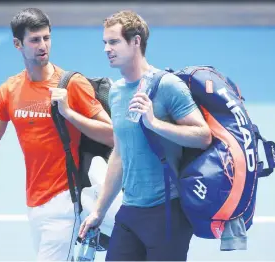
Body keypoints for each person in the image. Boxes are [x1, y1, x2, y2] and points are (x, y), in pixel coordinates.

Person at [0, 8, 115, 261]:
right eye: (35, 39)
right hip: (35, 202)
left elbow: (112, 136)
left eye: (47, 38)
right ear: (18, 44)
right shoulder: (8, 91)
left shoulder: (72, 84)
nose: (43, 45)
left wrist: (69, 113)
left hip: (66, 200)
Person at [79, 10, 212, 261]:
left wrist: (155, 123)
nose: (107, 49)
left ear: (136, 41)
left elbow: (203, 136)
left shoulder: (168, 85)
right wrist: (99, 210)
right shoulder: (116, 93)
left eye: (114, 41)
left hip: (167, 213)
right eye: (105, 43)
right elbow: (119, 153)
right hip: (129, 211)